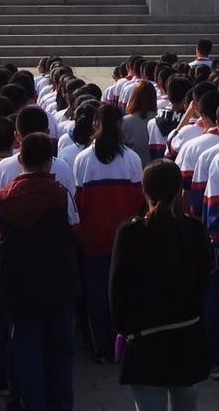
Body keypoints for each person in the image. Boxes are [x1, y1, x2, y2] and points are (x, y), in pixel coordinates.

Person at [109, 160, 211, 411]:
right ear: (179, 190)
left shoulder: (129, 232)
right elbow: (204, 284)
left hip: (145, 344)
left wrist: (126, 329)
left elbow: (116, 291)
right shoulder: (194, 229)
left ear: (145, 190)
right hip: (186, 338)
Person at [0, 132, 81, 411]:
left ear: (20, 159)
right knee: (60, 354)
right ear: (49, 162)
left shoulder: (2, 199)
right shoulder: (60, 195)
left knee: (26, 356)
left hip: (19, 286)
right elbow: (74, 234)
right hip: (58, 285)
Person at [73, 103, 145, 362]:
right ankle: (123, 344)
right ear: (119, 125)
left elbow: (79, 203)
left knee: (97, 294)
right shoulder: (132, 159)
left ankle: (101, 347)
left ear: (95, 124)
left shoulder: (83, 159)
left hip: (93, 236)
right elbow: (139, 200)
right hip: (126, 238)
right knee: (125, 292)